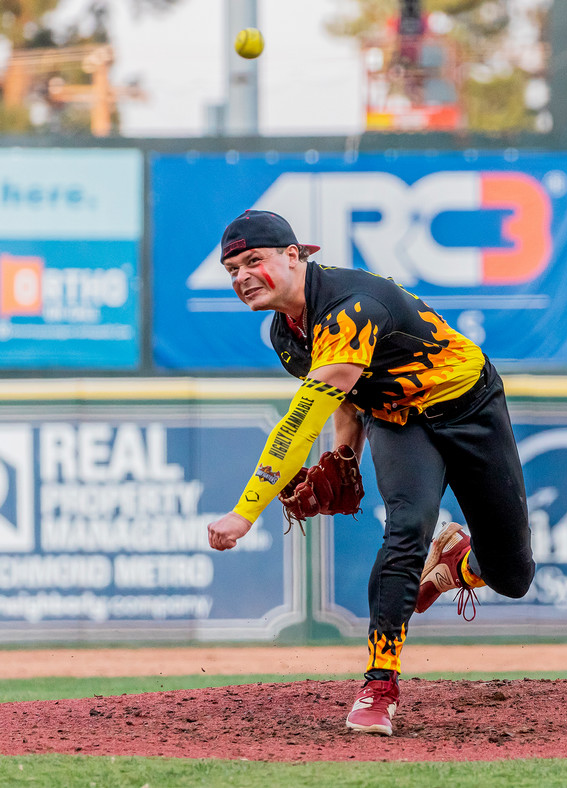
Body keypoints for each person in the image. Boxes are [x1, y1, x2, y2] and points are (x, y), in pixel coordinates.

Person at [207, 209, 535, 737]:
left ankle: (461, 562)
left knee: (513, 577)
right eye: (231, 269)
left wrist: (246, 513)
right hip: (398, 421)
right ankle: (379, 687)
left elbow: (297, 423)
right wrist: (345, 454)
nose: (241, 276)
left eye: (253, 260)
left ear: (295, 256)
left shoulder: (351, 306)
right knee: (406, 532)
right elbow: (347, 393)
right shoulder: (286, 334)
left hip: (470, 407)